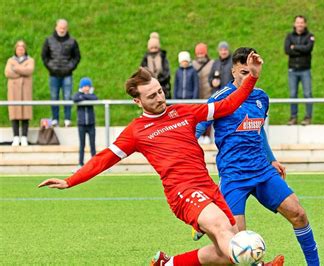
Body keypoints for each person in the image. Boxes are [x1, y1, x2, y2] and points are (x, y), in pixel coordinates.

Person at [38, 53, 282, 266]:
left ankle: (167, 263)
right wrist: (70, 181)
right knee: (222, 228)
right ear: (138, 101)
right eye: (151, 96)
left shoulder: (183, 112)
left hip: (207, 185)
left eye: (160, 91)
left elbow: (227, 105)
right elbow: (104, 159)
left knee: (223, 252)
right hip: (182, 192)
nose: (159, 98)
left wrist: (252, 78)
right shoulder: (137, 131)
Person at [195, 48, 319, 265]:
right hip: (234, 177)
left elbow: (259, 130)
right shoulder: (219, 100)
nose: (246, 77)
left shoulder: (261, 98)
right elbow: (194, 131)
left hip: (262, 171)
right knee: (235, 246)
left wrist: (271, 159)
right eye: (243, 72)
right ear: (233, 70)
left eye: (250, 72)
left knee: (299, 214)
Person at [41, 19, 81, 127]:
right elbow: (44, 56)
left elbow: (77, 57)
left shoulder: (72, 41)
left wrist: (69, 67)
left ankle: (67, 119)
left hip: (67, 74)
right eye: (60, 27)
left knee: (67, 96)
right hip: (53, 74)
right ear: (56, 27)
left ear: (66, 28)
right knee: (54, 97)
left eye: (64, 28)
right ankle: (55, 119)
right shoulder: (49, 40)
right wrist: (51, 67)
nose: (62, 29)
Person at [284, 15, 315, 126]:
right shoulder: (289, 36)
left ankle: (308, 117)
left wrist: (295, 47)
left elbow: (308, 49)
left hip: (305, 70)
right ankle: (293, 117)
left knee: (307, 93)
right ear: (294, 24)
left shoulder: (310, 36)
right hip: (292, 70)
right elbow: (287, 50)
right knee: (293, 94)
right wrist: (301, 48)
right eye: (298, 22)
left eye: (302, 22)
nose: (300, 25)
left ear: (305, 24)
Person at [4, 40, 35, 146]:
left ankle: (24, 137)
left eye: (22, 48)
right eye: (18, 48)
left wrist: (16, 69)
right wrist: (22, 72)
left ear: (25, 49)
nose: (20, 50)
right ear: (15, 50)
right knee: (14, 112)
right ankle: (16, 136)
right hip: (14, 90)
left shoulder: (30, 60)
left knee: (26, 112)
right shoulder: (10, 60)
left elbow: (29, 70)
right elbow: (8, 73)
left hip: (25, 90)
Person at [72, 77, 98, 169]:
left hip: (91, 124)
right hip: (81, 124)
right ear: (81, 87)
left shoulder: (91, 95)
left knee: (92, 144)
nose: (86, 88)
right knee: (82, 144)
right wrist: (84, 96)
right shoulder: (78, 94)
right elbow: (75, 98)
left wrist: (83, 96)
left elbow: (95, 98)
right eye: (84, 86)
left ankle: (94, 163)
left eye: (88, 86)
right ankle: (80, 163)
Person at [192, 43, 215, 144]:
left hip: (208, 94)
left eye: (202, 53)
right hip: (196, 95)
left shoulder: (212, 64)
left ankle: (207, 136)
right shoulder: (192, 64)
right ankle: (199, 136)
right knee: (197, 117)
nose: (200, 55)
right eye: (198, 53)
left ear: (205, 53)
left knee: (208, 116)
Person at [140, 32, 172, 99]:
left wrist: (158, 81)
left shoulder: (163, 58)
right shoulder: (145, 59)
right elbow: (142, 73)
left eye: (155, 48)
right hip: (149, 87)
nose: (154, 50)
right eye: (152, 48)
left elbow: (167, 74)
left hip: (163, 88)